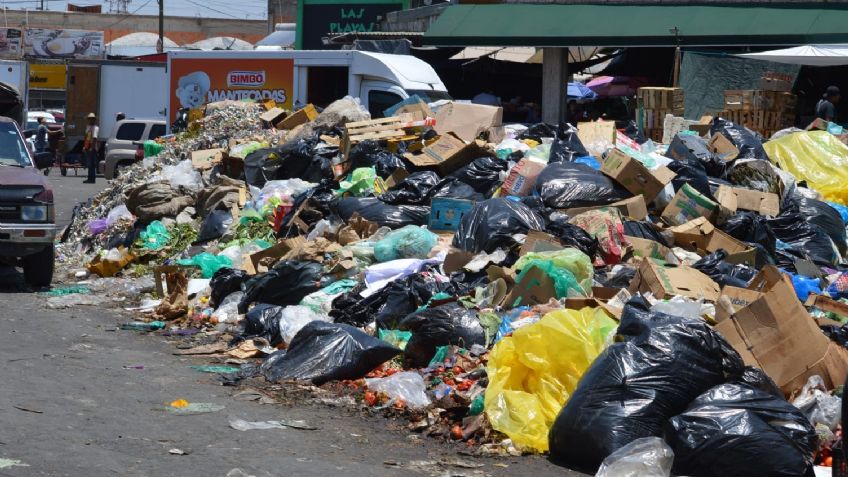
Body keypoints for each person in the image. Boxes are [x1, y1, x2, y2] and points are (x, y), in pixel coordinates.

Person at [82, 113, 99, 184]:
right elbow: (87, 138)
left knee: (91, 164)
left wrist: (92, 148)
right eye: (89, 119)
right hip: (87, 147)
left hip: (92, 147)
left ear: (94, 120)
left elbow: (94, 138)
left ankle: (92, 179)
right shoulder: (88, 127)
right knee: (89, 163)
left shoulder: (95, 128)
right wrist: (85, 146)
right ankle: (89, 178)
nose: (90, 120)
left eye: (92, 119)